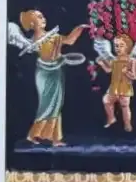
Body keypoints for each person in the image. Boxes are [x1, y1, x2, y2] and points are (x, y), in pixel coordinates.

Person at [14, 9, 87, 146]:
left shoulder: (53, 36)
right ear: (32, 24)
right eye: (39, 17)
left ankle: (55, 138)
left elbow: (70, 41)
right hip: (44, 73)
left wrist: (80, 28)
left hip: (56, 71)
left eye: (43, 16)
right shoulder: (35, 41)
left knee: (57, 104)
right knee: (46, 105)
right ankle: (33, 134)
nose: (43, 19)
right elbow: (41, 50)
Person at [97, 34, 136, 132]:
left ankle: (127, 124)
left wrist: (126, 72)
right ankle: (111, 118)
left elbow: (135, 76)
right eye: (116, 46)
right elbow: (109, 70)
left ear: (128, 47)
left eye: (121, 45)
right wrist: (102, 63)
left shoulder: (132, 60)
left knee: (125, 106)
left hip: (125, 86)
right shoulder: (114, 60)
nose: (118, 48)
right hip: (114, 86)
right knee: (106, 100)